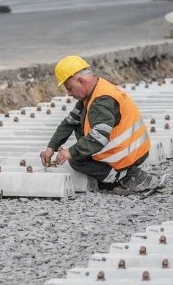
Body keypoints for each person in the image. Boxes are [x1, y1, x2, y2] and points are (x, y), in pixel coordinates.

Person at [40, 56, 157, 196]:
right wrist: (51, 147)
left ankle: (131, 177)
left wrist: (70, 152)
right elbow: (70, 122)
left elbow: (99, 137)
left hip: (128, 153)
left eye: (70, 88)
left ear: (81, 81)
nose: (69, 94)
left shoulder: (101, 100)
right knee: (80, 136)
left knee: (77, 160)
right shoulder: (96, 89)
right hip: (133, 148)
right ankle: (118, 176)